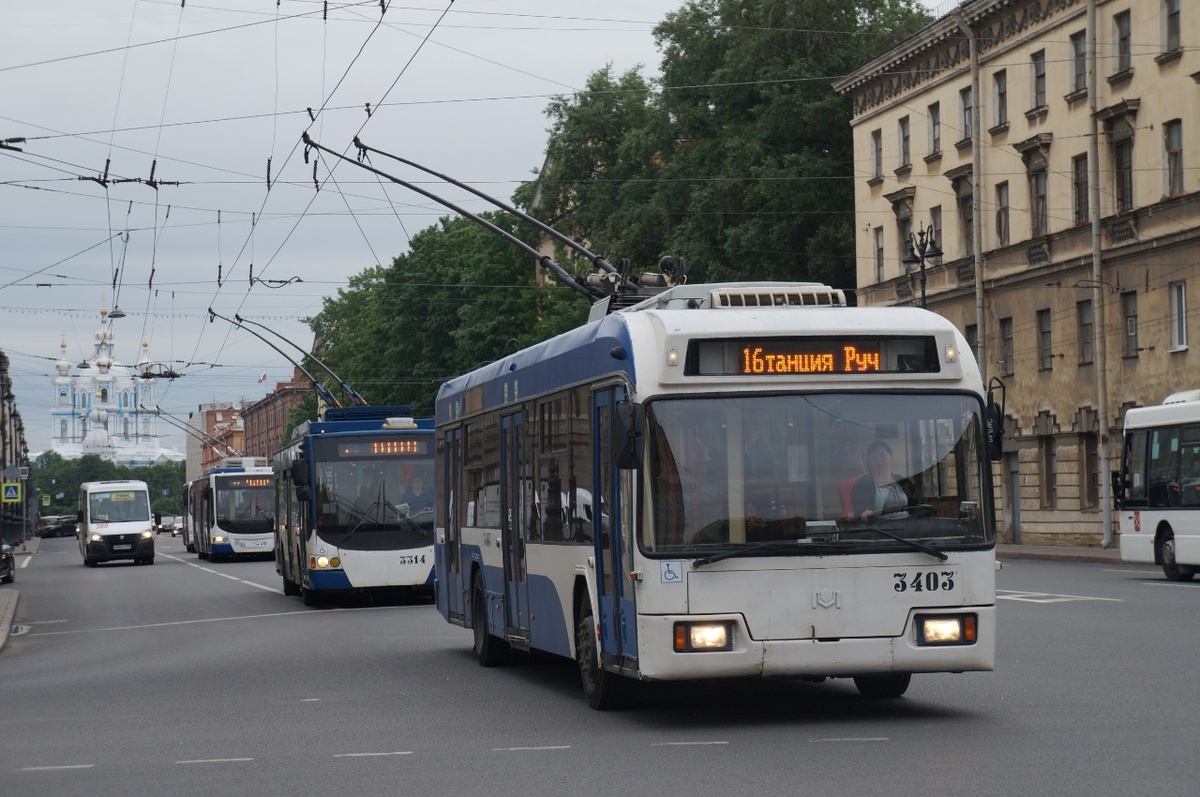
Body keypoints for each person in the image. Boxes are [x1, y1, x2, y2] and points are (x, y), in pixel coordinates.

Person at [850, 440, 913, 521]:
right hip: (878, 530)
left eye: (882, 455)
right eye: (874, 457)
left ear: (891, 458)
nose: (879, 460)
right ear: (868, 462)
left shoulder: (904, 482)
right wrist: (865, 513)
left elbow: (916, 507)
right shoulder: (862, 484)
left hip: (907, 528)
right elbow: (859, 512)